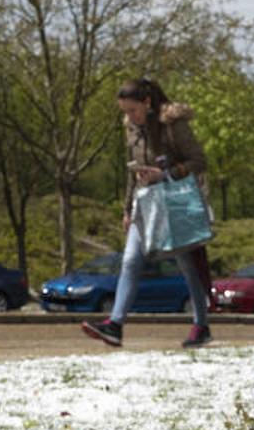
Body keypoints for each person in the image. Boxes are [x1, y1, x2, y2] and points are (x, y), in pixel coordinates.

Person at [81, 78, 213, 349]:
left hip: (177, 203)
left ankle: (201, 325)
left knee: (188, 265)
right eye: (125, 112)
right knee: (130, 260)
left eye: (133, 110)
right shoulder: (131, 129)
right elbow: (134, 173)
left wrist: (165, 174)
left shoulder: (172, 124)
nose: (130, 117)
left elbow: (199, 161)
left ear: (147, 103)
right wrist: (128, 208)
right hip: (146, 204)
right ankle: (115, 325)